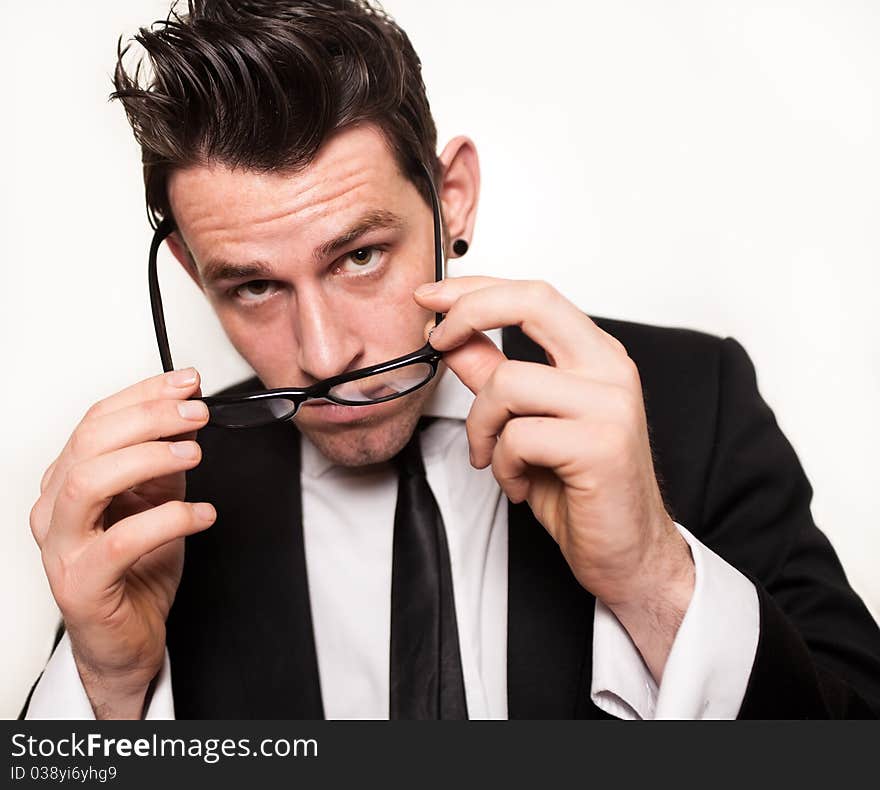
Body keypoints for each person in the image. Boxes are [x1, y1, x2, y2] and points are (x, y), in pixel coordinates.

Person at [20, 0, 880, 720]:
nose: (323, 354)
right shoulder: (166, 496)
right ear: (190, 272)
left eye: (359, 256)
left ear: (452, 198)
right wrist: (111, 685)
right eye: (250, 287)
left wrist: (653, 579)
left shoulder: (695, 402)